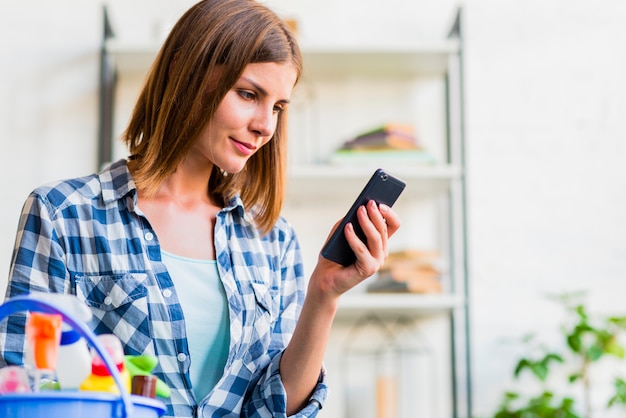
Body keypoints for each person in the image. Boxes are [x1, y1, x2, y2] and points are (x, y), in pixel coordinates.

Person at [0, 0, 401, 417]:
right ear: (184, 73)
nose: (265, 124)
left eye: (278, 107)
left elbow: (272, 409)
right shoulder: (63, 216)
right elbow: (22, 392)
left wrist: (324, 293)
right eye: (248, 94)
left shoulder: (273, 241)